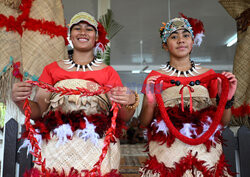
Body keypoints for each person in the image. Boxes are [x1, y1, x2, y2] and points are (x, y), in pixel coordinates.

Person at [12, 12, 139, 176]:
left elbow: (123, 117)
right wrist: (20, 101)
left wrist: (130, 101)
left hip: (96, 148)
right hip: (57, 149)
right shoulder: (52, 69)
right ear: (70, 35)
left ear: (97, 37)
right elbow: (38, 112)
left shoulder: (108, 73)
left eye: (89, 29)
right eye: (77, 28)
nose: (83, 32)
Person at [139, 16, 237, 176]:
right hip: (168, 152)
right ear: (165, 45)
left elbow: (223, 121)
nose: (180, 40)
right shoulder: (155, 77)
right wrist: (150, 102)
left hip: (205, 152)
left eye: (186, 35)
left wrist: (227, 99)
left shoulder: (209, 75)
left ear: (193, 42)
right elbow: (144, 122)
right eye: (174, 36)